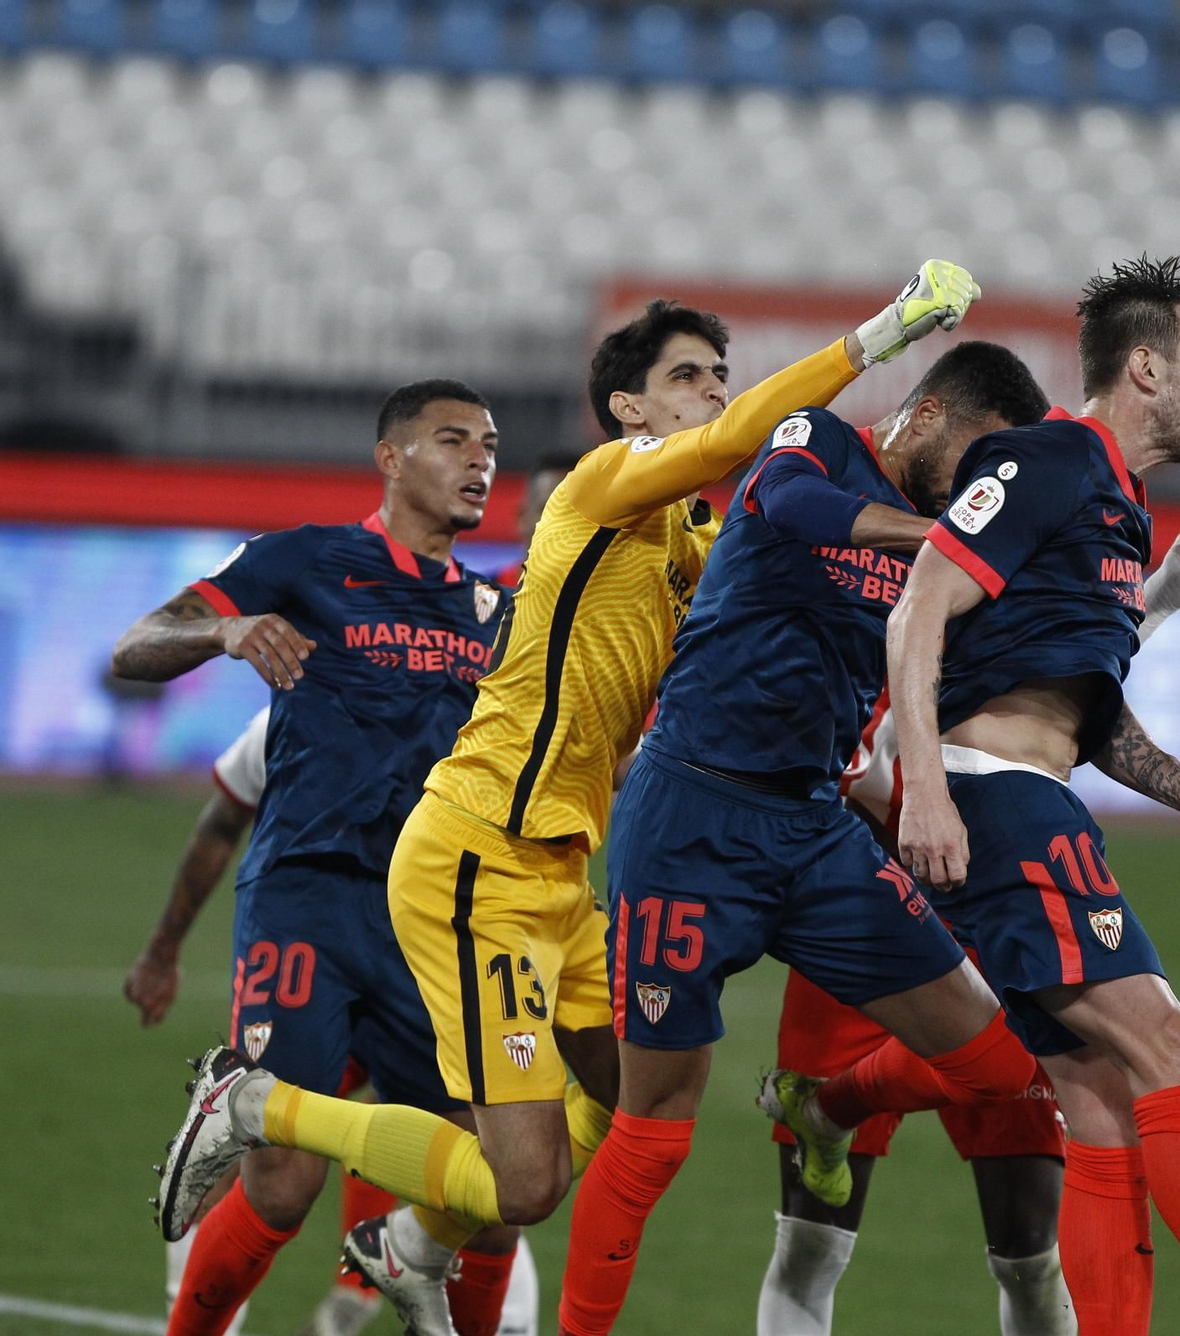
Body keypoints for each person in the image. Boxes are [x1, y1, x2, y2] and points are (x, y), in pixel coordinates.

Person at [149, 262, 982, 1336]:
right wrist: (876, 339)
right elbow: (739, 448)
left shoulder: (695, 548)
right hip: (479, 854)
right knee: (527, 1185)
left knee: (630, 1098)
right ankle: (256, 1106)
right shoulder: (600, 482)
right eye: (688, 376)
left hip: (557, 872)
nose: (714, 392)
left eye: (721, 375)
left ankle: (412, 1244)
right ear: (630, 408)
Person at [773, 256, 1180, 1336]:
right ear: (1147, 366)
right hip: (998, 806)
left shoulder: (1118, 507)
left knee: (1097, 1098)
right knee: (1169, 1052)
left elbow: (1081, 709)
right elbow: (918, 606)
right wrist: (923, 784)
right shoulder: (1048, 460)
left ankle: (833, 1106)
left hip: (1019, 794)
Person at [556, 338, 1062, 1336]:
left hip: (811, 825)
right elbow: (787, 502)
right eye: (974, 462)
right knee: (651, 1133)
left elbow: (1042, 654)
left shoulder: (934, 567)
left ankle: (824, 1105)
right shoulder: (818, 443)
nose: (977, 491)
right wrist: (932, 536)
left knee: (1001, 1065)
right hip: (690, 813)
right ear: (921, 420)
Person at [119, 379, 527, 1336]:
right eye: (454, 440)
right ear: (390, 458)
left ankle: (402, 1275)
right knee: (285, 1184)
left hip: (432, 922)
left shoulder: (499, 609)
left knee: (498, 1178)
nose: (481, 461)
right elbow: (137, 644)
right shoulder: (303, 560)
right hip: (310, 896)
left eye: (490, 444)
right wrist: (224, 629)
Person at [123, 708, 539, 1336]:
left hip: (426, 961)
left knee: (497, 1178)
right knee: (252, 1159)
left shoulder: (480, 707)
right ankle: (228, 1313)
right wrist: (162, 950)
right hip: (317, 957)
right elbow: (224, 816)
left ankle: (373, 1287)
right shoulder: (297, 705)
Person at [494, 450, 585, 588]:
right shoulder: (475, 601)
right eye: (548, 509)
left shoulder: (613, 602)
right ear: (522, 518)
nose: (562, 523)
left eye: (575, 512)